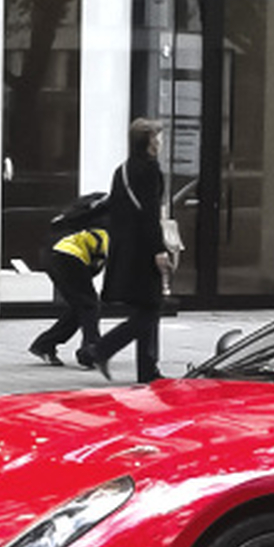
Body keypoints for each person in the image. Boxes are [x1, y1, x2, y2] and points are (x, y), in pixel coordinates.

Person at [79, 117, 173, 383]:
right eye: (159, 137)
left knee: (143, 307)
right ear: (150, 142)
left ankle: (148, 370)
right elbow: (150, 214)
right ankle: (102, 349)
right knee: (151, 309)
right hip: (144, 249)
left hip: (125, 249)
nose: (162, 141)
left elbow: (117, 212)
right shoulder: (150, 170)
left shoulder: (122, 170)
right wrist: (159, 249)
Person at [30, 213, 108, 366]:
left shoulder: (103, 229)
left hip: (57, 255)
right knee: (89, 304)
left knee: (80, 306)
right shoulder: (113, 234)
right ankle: (90, 350)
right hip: (69, 257)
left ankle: (45, 344)